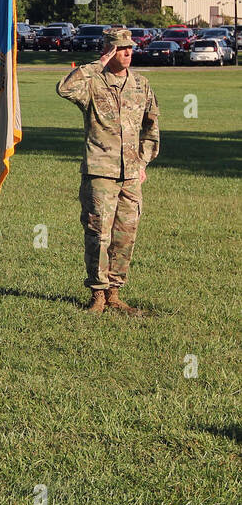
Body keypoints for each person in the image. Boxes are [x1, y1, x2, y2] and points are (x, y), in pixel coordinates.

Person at [57, 27, 160, 313]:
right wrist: (97, 65)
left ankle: (115, 292)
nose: (127, 53)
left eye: (130, 48)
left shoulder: (140, 84)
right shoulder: (93, 83)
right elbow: (64, 88)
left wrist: (143, 161)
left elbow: (151, 126)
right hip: (101, 170)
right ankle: (98, 294)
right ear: (108, 50)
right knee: (98, 233)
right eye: (120, 48)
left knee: (126, 234)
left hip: (130, 174)